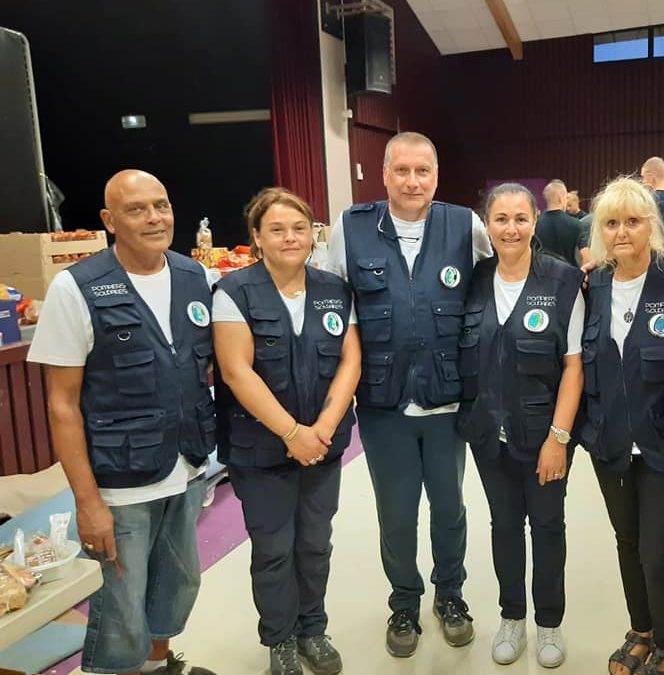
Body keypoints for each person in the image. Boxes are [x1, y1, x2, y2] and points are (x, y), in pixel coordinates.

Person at [27, 170, 217, 675]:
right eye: (137, 209)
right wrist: (87, 503)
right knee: (121, 605)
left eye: (162, 204)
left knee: (177, 586)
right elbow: (62, 405)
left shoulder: (194, 276)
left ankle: (158, 666)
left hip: (186, 463)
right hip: (118, 479)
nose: (155, 217)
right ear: (110, 221)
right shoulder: (77, 288)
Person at [323, 131, 492, 657]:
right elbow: (331, 314)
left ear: (436, 177)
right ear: (384, 174)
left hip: (446, 401)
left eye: (423, 171)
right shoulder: (349, 231)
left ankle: (451, 596)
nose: (412, 181)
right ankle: (403, 602)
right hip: (383, 404)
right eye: (402, 170)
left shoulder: (466, 226)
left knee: (449, 508)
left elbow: (495, 289)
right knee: (395, 513)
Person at [213, 188, 360, 675]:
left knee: (316, 543)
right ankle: (279, 640)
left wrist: (322, 428)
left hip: (323, 444)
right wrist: (292, 432)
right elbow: (237, 372)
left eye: (299, 228)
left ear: (314, 235)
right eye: (276, 229)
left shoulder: (334, 290)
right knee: (274, 549)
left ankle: (313, 630)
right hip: (259, 451)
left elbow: (350, 360)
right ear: (256, 237)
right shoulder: (234, 293)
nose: (289, 238)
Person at [457, 183, 585, 668]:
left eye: (520, 219)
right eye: (500, 219)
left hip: (544, 437)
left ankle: (548, 623)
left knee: (548, 528)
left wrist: (559, 439)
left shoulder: (564, 282)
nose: (511, 229)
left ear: (535, 222)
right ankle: (512, 617)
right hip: (489, 436)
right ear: (486, 225)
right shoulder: (473, 281)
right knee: (505, 527)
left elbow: (573, 367)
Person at [577, 177, 664, 675]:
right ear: (599, 231)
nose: (622, 232)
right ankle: (641, 632)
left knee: (658, 550)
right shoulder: (592, 285)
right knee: (627, 542)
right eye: (611, 223)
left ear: (652, 225)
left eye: (632, 221)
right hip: (610, 444)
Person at [535, 179, 583, 267]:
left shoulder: (534, 225)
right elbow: (585, 256)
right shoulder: (577, 225)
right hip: (570, 275)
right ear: (561, 199)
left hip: (542, 275)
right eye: (566, 198)